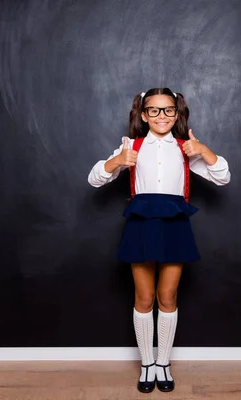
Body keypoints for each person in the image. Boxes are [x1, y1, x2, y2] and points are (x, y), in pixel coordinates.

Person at [88, 87, 231, 393]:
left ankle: (163, 363)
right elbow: (94, 178)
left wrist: (203, 149)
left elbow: (222, 176)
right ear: (143, 114)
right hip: (141, 223)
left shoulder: (185, 148)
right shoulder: (132, 145)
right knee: (144, 297)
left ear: (176, 114)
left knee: (168, 297)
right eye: (154, 110)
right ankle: (146, 364)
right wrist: (117, 162)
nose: (161, 116)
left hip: (175, 223)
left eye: (168, 110)